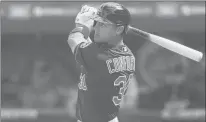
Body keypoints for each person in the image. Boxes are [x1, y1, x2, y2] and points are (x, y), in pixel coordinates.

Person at [67, 2, 135, 122]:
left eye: (103, 25)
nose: (96, 28)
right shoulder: (128, 55)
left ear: (119, 29)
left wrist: (81, 25)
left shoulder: (100, 56)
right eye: (96, 23)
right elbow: (89, 50)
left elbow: (73, 39)